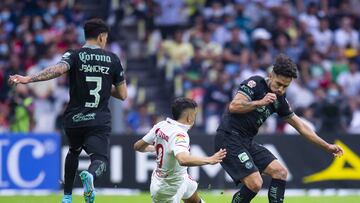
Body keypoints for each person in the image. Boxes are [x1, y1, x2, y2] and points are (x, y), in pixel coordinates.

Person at [8, 18, 127, 203]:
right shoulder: (112, 59)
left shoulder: (74, 54)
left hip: (74, 119)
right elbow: (123, 94)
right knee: (100, 159)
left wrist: (28, 79)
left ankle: (67, 196)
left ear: (85, 36)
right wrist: (104, 83)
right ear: (102, 37)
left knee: (73, 151)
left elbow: (57, 70)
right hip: (98, 120)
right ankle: (91, 176)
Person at [214, 54, 344, 203]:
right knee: (256, 183)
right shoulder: (255, 83)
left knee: (280, 172)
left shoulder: (280, 100)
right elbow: (234, 106)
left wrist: (327, 146)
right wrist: (260, 102)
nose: (281, 89)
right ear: (271, 75)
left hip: (246, 141)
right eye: (279, 84)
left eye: (286, 86)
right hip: (228, 138)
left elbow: (301, 126)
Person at [134, 97, 226, 203]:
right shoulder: (180, 135)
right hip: (167, 189)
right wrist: (210, 160)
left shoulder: (161, 125)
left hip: (180, 179)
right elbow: (183, 160)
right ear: (189, 118)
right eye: (195, 115)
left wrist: (155, 148)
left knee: (194, 199)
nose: (195, 118)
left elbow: (137, 146)